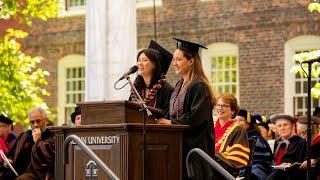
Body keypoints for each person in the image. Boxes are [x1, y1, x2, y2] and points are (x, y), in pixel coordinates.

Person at [157, 38, 216, 179]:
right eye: (174, 60)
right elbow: (172, 113)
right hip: (180, 145)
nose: (174, 63)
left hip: (196, 147)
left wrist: (171, 123)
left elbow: (197, 118)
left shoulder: (199, 85)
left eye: (178, 59)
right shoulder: (179, 85)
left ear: (191, 61)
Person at [1, 107, 55, 180]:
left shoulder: (52, 137)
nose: (35, 125)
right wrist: (9, 161)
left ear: (46, 121)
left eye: (38, 121)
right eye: (32, 122)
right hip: (16, 171)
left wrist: (38, 141)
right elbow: (12, 155)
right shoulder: (25, 136)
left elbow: (48, 160)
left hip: (37, 174)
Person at [129, 40, 173, 118]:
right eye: (139, 60)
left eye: (145, 60)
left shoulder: (166, 89)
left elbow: (167, 115)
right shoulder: (136, 88)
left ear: (154, 65)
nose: (140, 63)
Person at [214, 93, 250, 177]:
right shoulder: (210, 127)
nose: (219, 108)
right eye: (218, 105)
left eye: (224, 106)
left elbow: (236, 160)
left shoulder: (238, 130)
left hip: (223, 172)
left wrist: (215, 158)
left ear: (233, 111)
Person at [235, 110, 274, 180]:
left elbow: (259, 162)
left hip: (256, 173)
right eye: (235, 120)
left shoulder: (255, 140)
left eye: (241, 120)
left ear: (248, 124)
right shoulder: (238, 138)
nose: (237, 123)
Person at [266, 114, 307, 180]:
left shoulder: (300, 142)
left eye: (285, 125)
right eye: (279, 126)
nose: (282, 128)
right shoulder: (272, 144)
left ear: (292, 126)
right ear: (276, 128)